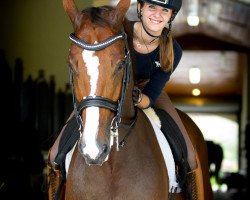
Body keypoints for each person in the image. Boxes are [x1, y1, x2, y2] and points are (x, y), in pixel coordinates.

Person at [48, 0, 198, 198]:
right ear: (140, 9)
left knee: (190, 155)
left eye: (165, 10)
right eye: (152, 7)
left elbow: (152, 93)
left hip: (149, 93)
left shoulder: (172, 50)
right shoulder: (120, 31)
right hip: (110, 88)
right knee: (54, 154)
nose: (157, 14)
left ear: (171, 16)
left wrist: (137, 98)